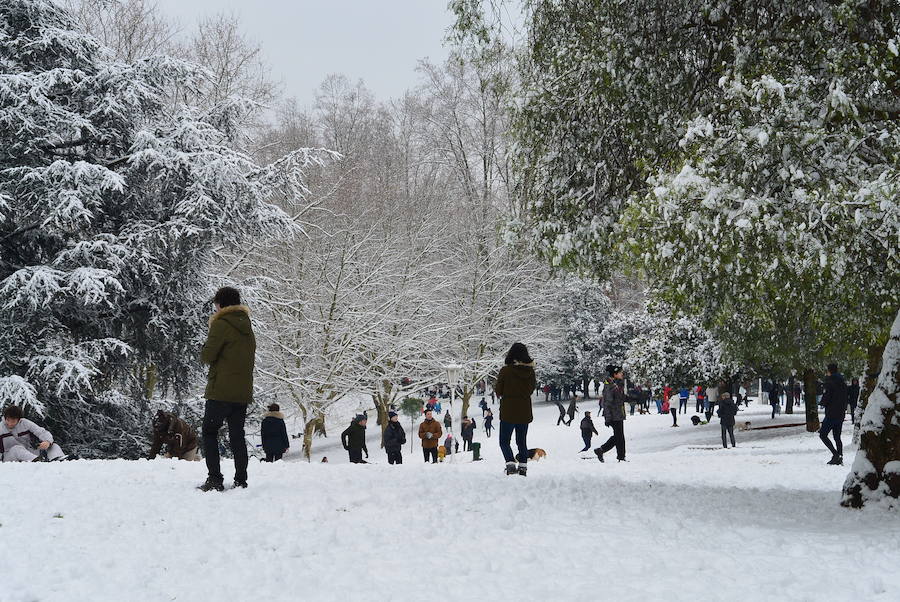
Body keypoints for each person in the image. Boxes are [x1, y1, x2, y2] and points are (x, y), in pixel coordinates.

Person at [199, 286, 255, 492]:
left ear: (220, 304)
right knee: (237, 435)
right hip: (241, 392)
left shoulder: (221, 324)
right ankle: (241, 480)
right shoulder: (247, 325)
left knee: (209, 432)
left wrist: (204, 349)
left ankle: (215, 479)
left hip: (220, 391)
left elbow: (208, 356)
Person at [495, 342, 536, 476]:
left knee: (504, 441)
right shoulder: (530, 372)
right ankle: (523, 467)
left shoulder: (505, 371)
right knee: (521, 441)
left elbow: (498, 390)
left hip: (508, 411)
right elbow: (530, 390)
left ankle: (510, 464)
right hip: (524, 411)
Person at [0, 405, 66, 462]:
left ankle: (60, 461)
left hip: (29, 452)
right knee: (16, 449)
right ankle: (39, 462)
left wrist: (47, 442)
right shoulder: (1, 428)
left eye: (13, 421)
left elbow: (42, 432)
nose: (10, 423)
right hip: (9, 456)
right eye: (8, 420)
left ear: (19, 420)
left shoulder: (25, 423)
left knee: (53, 446)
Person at [595, 365, 627, 463]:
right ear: (615, 374)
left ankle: (602, 450)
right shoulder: (609, 385)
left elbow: (620, 398)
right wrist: (608, 418)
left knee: (618, 436)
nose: (622, 374)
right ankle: (619, 457)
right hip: (613, 415)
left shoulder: (617, 384)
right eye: (620, 372)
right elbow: (607, 403)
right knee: (619, 437)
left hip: (618, 414)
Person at [819, 363, 849, 465]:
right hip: (840, 413)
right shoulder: (843, 383)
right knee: (837, 436)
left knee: (823, 434)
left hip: (831, 413)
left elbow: (827, 396)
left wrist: (822, 403)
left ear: (829, 371)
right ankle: (840, 456)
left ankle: (835, 454)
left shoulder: (830, 382)